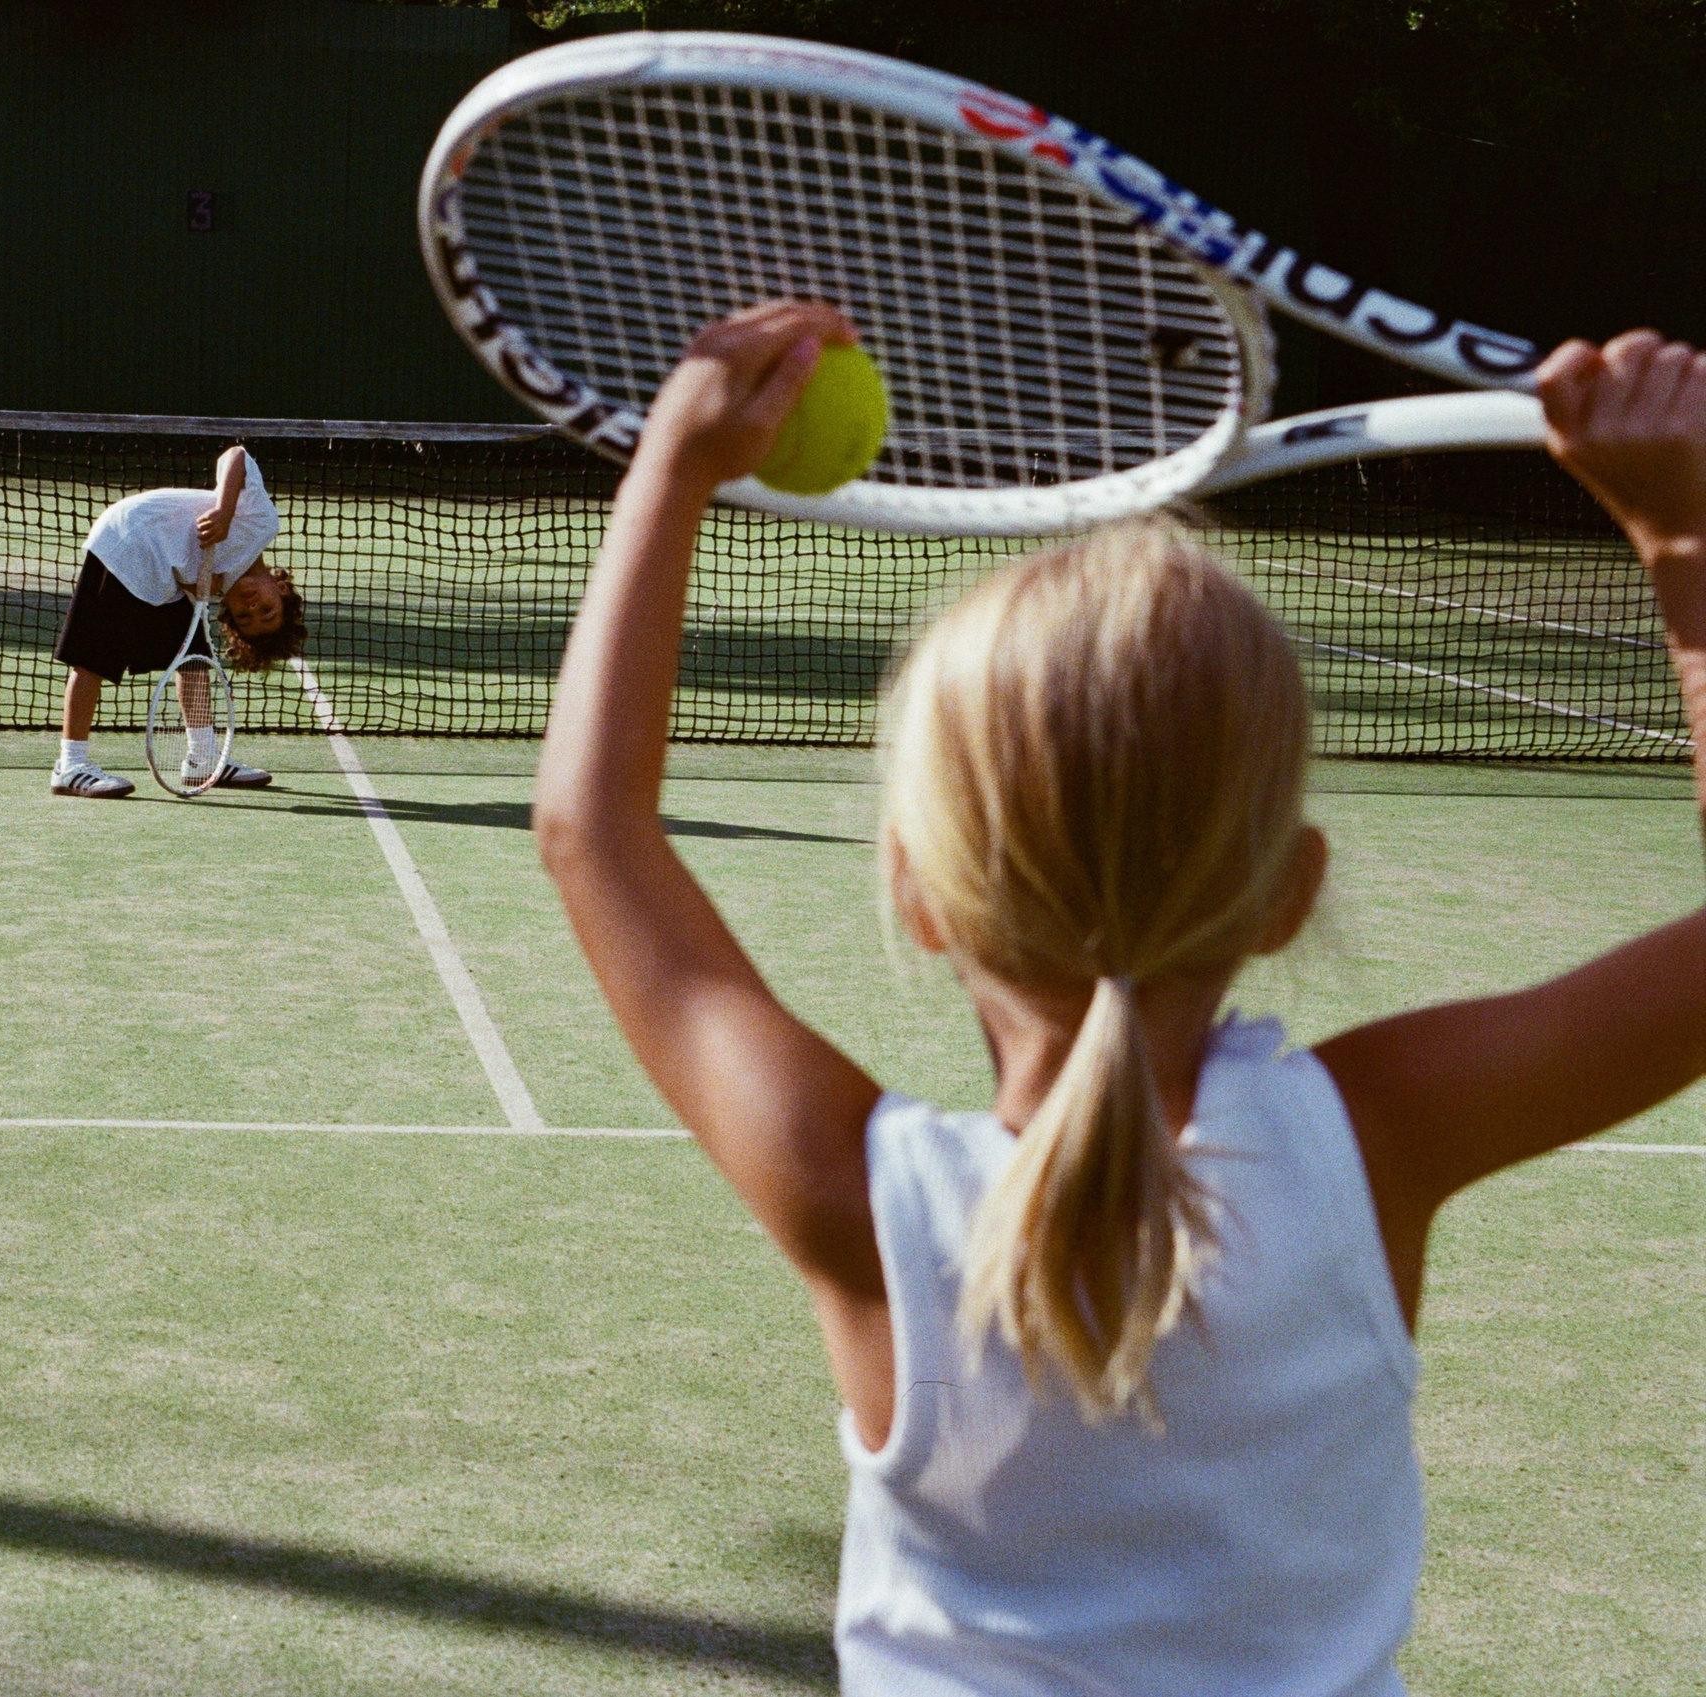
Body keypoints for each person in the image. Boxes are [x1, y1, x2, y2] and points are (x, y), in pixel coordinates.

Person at [534, 300, 1706, 1695]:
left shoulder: (861, 1199)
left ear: (915, 888)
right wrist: (1681, 545)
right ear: (1290, 891)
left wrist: (671, 469)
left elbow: (590, 831)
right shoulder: (1378, 1138)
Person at [50, 443, 307, 797]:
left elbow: (184, 561)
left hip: (158, 572)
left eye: (246, 617)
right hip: (129, 539)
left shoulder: (215, 584)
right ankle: (70, 765)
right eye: (267, 609)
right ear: (280, 587)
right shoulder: (262, 523)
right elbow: (236, 456)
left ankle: (203, 758)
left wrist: (194, 582)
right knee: (92, 660)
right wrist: (224, 510)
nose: (252, 607)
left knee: (192, 661)